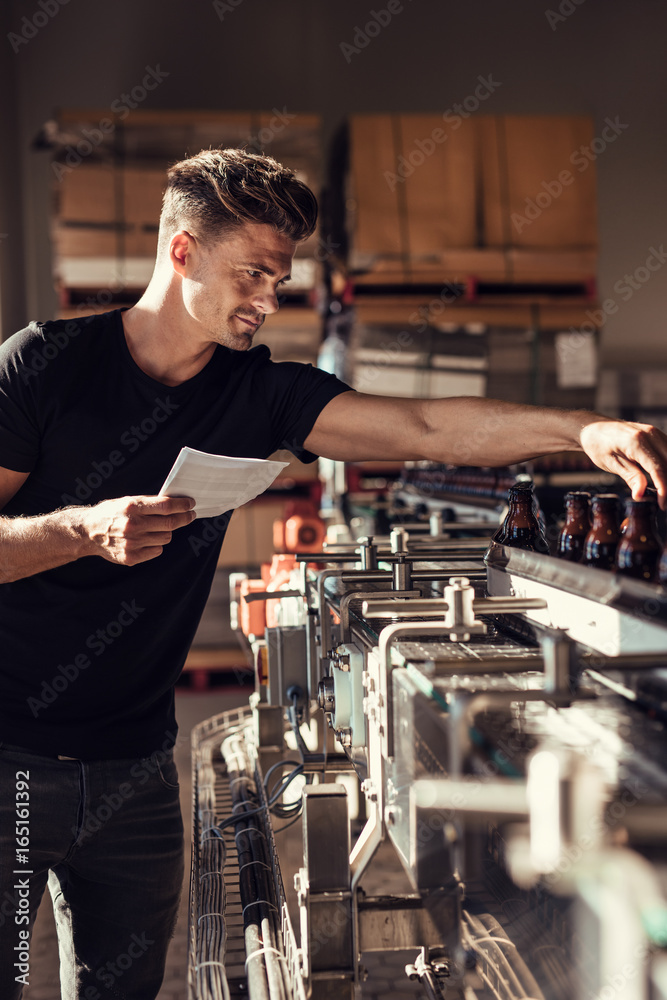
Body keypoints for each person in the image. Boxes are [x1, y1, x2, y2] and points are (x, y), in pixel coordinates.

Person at [0, 147, 666, 999]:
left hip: (135, 767)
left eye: (279, 280)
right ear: (181, 250)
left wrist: (579, 432)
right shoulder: (45, 365)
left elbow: (426, 425)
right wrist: (83, 530)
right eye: (253, 274)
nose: (268, 300)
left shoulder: (260, 395)